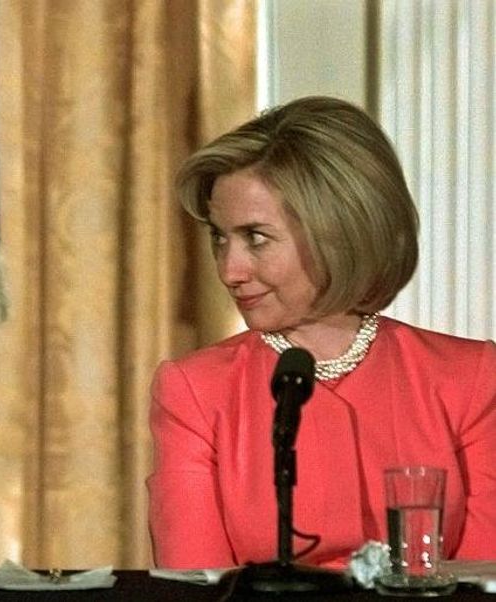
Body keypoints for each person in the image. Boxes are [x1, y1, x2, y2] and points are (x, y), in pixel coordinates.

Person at [147, 96, 496, 569]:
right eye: (219, 237)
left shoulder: (471, 378)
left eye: (256, 237)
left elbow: (484, 580)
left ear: (338, 231)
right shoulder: (192, 391)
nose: (229, 270)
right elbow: (196, 586)